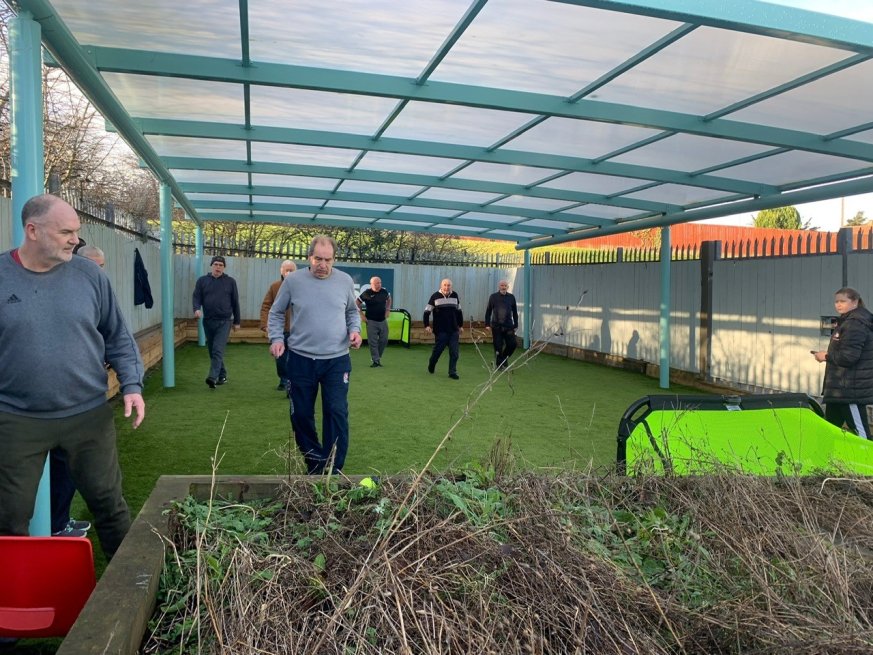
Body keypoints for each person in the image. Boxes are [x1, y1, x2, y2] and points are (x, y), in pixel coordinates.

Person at [0, 194, 145, 559]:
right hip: (17, 419)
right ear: (33, 230)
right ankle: (15, 591)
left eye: (76, 232)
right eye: (66, 232)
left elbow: (118, 335)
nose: (75, 240)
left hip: (87, 415)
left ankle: (132, 586)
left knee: (109, 506)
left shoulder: (90, 275)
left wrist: (131, 384)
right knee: (9, 518)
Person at [268, 235, 361, 474]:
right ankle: (315, 464)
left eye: (328, 260)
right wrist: (276, 339)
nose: (322, 264)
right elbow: (276, 312)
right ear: (309, 257)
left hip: (336, 360)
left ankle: (333, 468)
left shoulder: (344, 281)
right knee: (300, 415)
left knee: (336, 411)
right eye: (318, 259)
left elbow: (352, 312)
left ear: (334, 259)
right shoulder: (293, 281)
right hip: (301, 359)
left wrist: (355, 330)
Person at [49, 244, 108, 538]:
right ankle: (54, 526)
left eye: (102, 267)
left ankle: (58, 520)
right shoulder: (58, 291)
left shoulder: (93, 292)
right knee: (60, 462)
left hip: (77, 395)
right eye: (95, 266)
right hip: (52, 398)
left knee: (68, 463)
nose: (99, 272)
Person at [812, 287, 873, 438]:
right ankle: (828, 453)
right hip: (838, 389)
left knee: (861, 434)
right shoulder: (847, 321)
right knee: (829, 431)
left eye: (843, 301)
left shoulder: (855, 324)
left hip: (849, 390)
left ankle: (867, 453)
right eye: (836, 301)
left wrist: (825, 356)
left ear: (855, 302)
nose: (838, 305)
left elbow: (848, 357)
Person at [193, 255, 241, 388]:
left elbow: (235, 302)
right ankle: (222, 375)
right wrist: (196, 309)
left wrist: (237, 321)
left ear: (224, 267)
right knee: (212, 351)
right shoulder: (202, 281)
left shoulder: (230, 282)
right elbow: (196, 297)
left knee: (217, 350)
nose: (218, 267)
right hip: (208, 321)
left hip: (224, 322)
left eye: (221, 265)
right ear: (211, 266)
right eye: (216, 264)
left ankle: (212, 377)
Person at [260, 259, 297, 391]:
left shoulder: (301, 287)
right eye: (286, 270)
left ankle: (291, 382)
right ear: (281, 271)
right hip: (279, 330)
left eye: (291, 270)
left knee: (295, 359)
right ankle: (284, 379)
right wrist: (265, 324)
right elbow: (266, 306)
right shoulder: (275, 287)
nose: (289, 273)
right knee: (280, 358)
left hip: (296, 331)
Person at [424, 278, 464, 379]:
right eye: (445, 285)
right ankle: (432, 364)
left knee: (454, 353)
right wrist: (427, 325)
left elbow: (459, 311)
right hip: (440, 330)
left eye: (449, 285)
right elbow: (427, 312)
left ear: (451, 286)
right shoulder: (435, 296)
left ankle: (452, 372)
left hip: (453, 330)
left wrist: (461, 326)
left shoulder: (455, 295)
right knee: (438, 351)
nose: (447, 287)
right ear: (441, 286)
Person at [357, 276, 392, 367]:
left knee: (384, 340)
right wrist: (361, 315)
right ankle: (376, 361)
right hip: (371, 321)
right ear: (371, 284)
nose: (379, 285)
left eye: (380, 283)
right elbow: (356, 303)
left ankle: (377, 357)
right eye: (376, 283)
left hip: (383, 320)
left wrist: (388, 309)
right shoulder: (366, 293)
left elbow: (389, 299)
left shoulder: (384, 291)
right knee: (373, 342)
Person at [485, 279, 519, 370]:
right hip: (496, 326)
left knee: (512, 344)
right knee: (498, 346)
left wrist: (516, 324)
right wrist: (487, 324)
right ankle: (500, 365)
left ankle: (503, 360)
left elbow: (515, 312)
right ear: (499, 286)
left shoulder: (511, 297)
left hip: (509, 326)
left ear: (507, 287)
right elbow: (488, 311)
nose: (503, 287)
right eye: (502, 285)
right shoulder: (493, 297)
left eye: (505, 286)